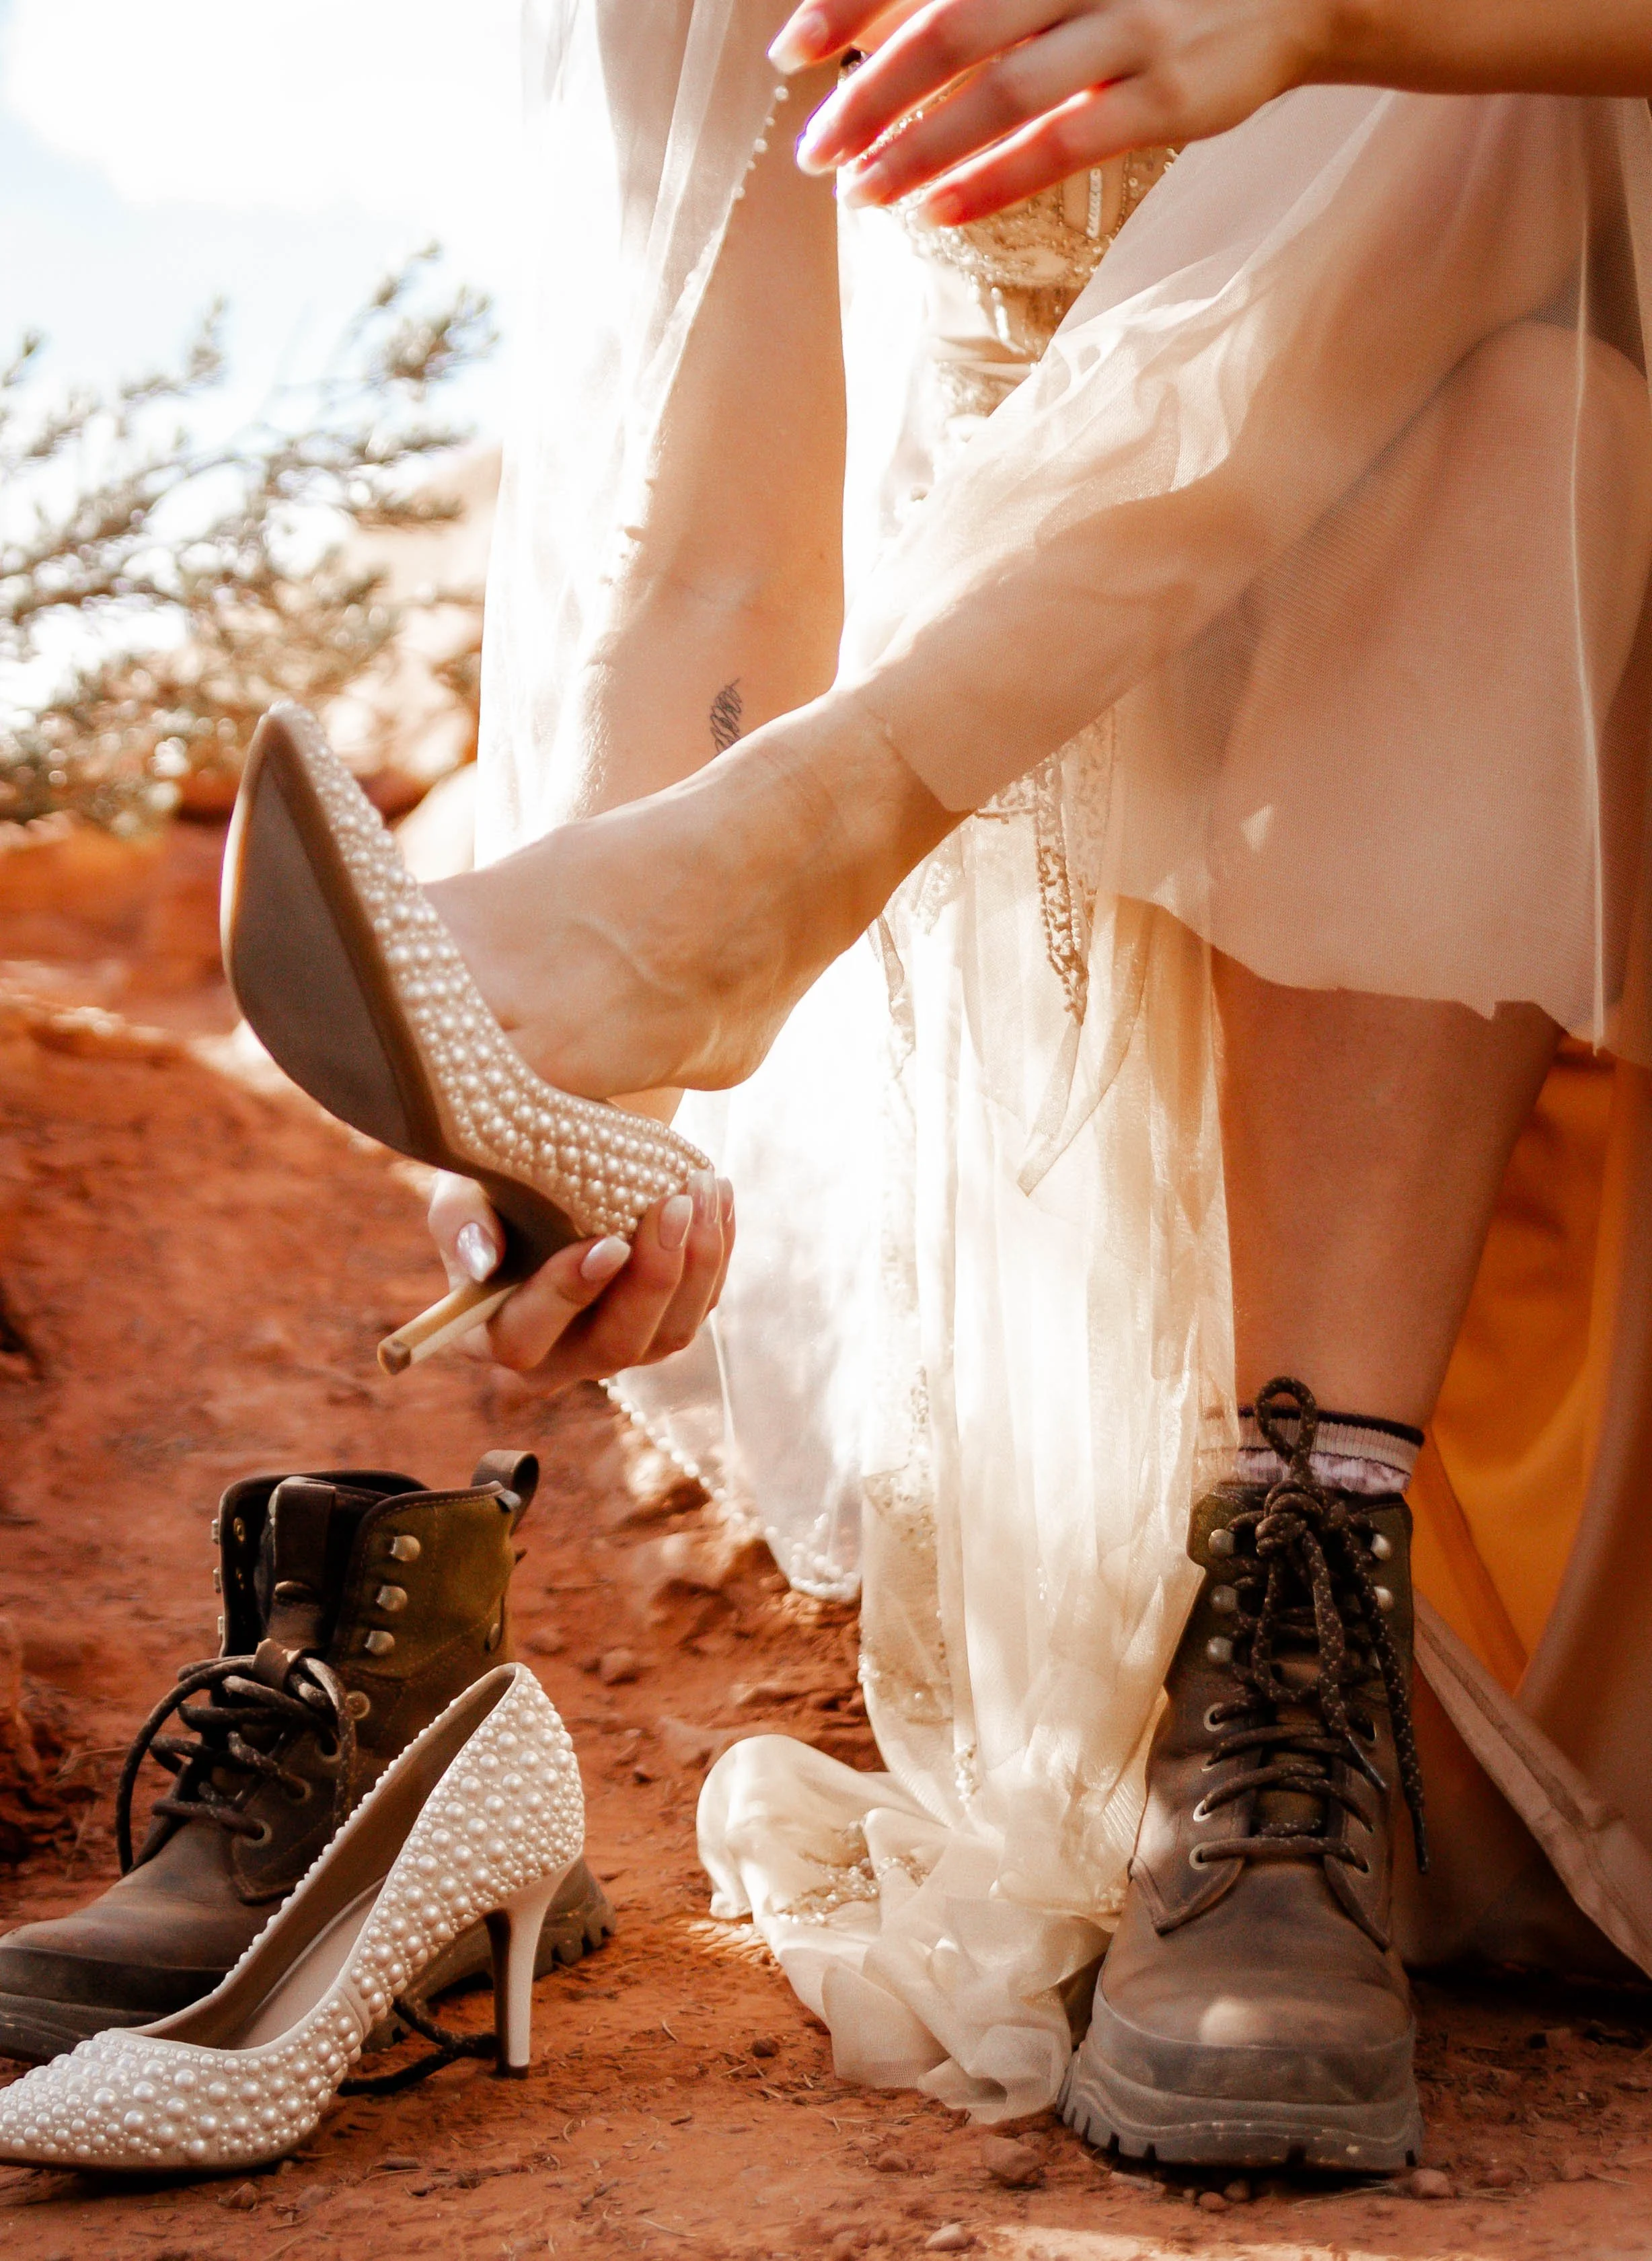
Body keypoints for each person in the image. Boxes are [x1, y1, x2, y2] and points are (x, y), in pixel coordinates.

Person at [381, 0, 1652, 2161]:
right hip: (1149, 977)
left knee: (1532, 294)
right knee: (1524, 412)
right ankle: (1282, 1617)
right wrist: (603, 1132)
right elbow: (714, 538)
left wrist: (1345, 17)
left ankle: (789, 859)